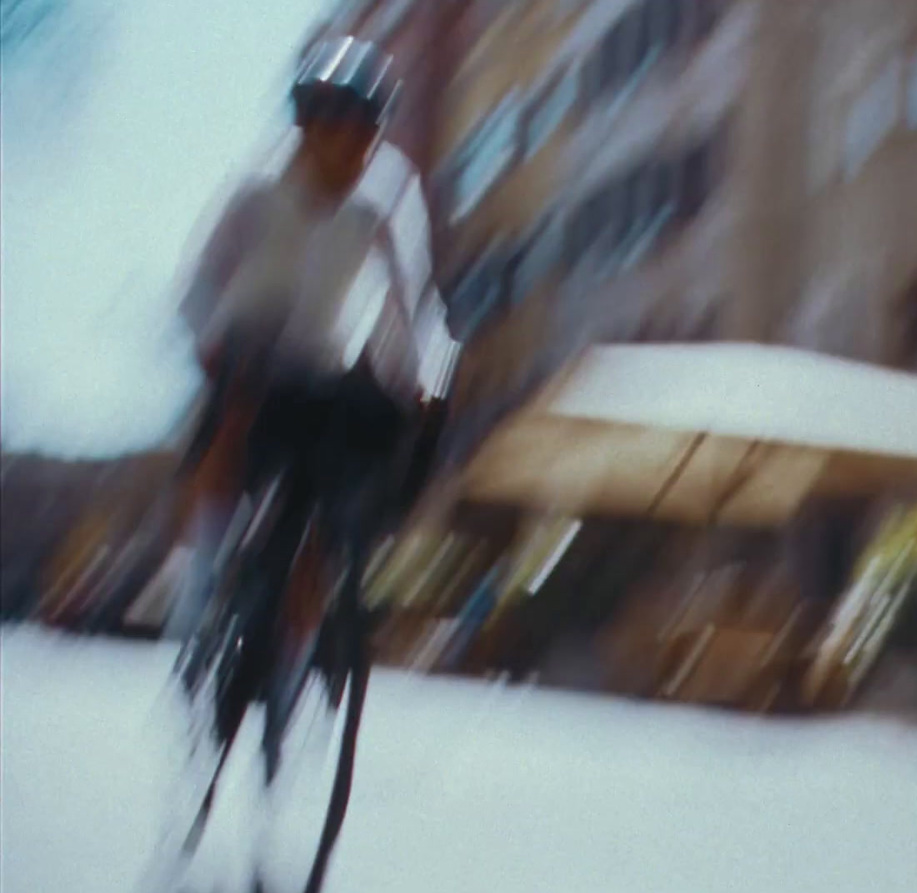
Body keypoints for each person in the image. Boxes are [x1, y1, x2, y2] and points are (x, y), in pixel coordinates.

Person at [159, 35, 446, 893]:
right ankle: (203, 590)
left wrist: (422, 380)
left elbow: (412, 303)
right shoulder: (255, 192)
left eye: (360, 130)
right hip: (244, 354)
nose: (344, 149)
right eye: (326, 126)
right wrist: (213, 347)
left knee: (334, 507)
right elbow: (195, 288)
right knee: (237, 417)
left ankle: (289, 662)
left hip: (323, 369)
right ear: (302, 127)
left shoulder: (388, 197)